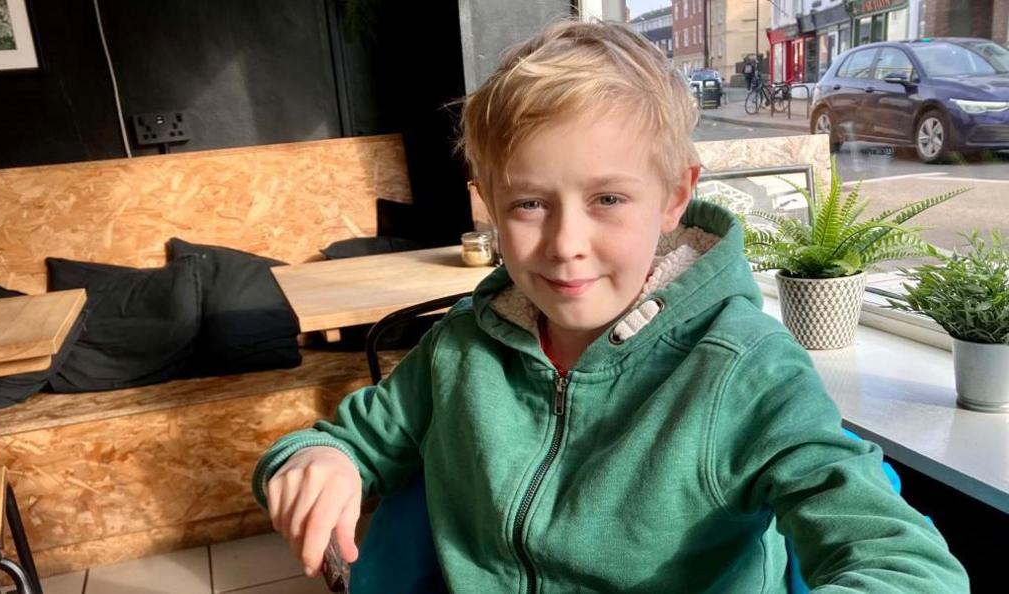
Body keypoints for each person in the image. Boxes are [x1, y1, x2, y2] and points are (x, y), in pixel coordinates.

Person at [253, 20, 969, 592]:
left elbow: (907, 565)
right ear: (489, 209)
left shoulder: (746, 370)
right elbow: (336, 443)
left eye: (608, 200)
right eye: (529, 203)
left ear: (675, 197)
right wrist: (320, 460)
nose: (567, 245)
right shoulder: (461, 347)